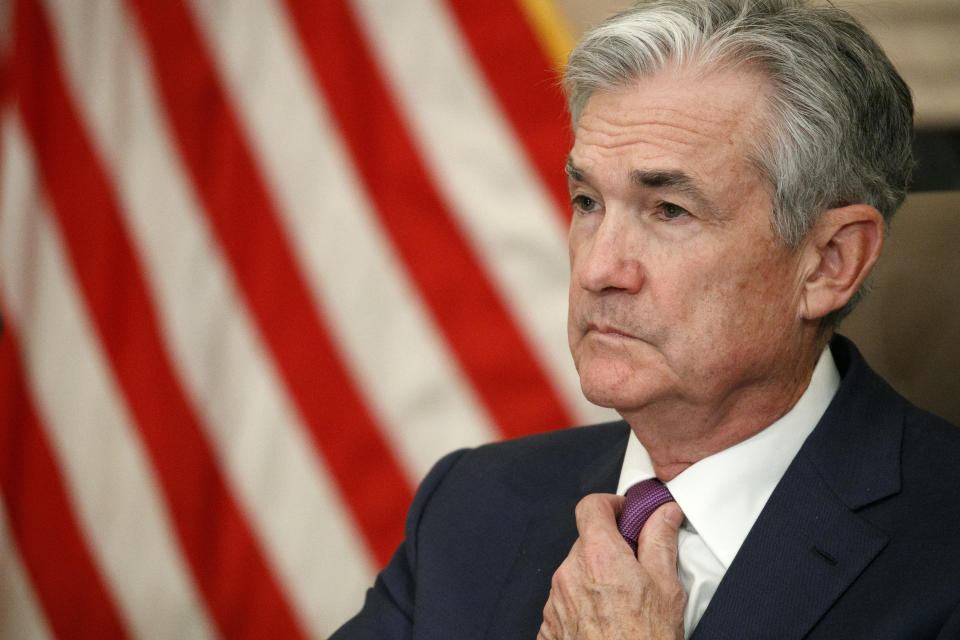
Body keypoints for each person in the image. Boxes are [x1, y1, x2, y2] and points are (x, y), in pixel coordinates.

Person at [331, 1, 960, 637]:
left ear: (829, 262)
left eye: (669, 210)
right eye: (587, 201)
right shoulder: (472, 507)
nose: (598, 268)